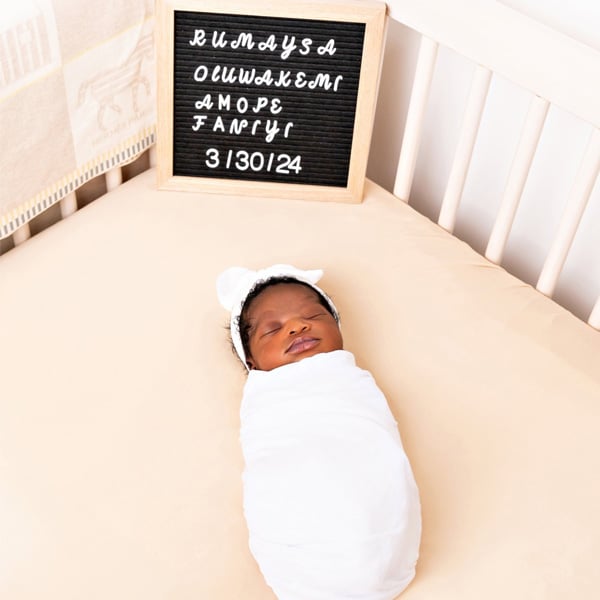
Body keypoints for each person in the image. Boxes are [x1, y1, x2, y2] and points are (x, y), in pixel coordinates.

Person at [217, 264, 421, 600]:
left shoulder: (348, 378)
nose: (297, 327)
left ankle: (372, 553)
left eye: (312, 316)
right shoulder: (266, 398)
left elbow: (373, 439)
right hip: (299, 510)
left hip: (370, 512)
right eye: (273, 330)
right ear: (251, 363)